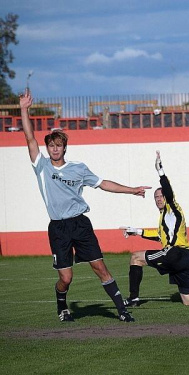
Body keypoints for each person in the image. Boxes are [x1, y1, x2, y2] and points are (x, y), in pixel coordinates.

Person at [19, 89, 151, 322]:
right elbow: (30, 138)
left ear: (64, 148)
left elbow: (103, 184)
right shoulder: (41, 166)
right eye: (51, 146)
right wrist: (24, 109)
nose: (55, 149)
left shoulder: (78, 168)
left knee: (100, 267)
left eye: (59, 145)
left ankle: (122, 310)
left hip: (80, 224)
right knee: (66, 279)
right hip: (58, 228)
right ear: (47, 148)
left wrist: (131, 190)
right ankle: (62, 306)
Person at [121, 151, 189, 306]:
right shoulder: (165, 218)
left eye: (161, 196)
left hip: (175, 253)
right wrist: (137, 231)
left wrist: (161, 172)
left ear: (167, 198)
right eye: (156, 197)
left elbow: (168, 191)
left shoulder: (172, 208)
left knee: (135, 257)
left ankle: (133, 298)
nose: (159, 199)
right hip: (186, 258)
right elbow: (158, 235)